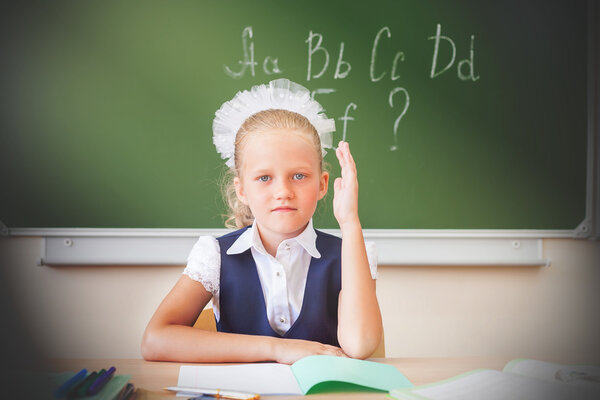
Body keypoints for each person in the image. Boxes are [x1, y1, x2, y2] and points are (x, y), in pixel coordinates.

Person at [141, 78, 382, 364]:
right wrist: (276, 349)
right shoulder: (215, 256)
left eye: (299, 176)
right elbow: (155, 340)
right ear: (242, 189)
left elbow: (361, 344)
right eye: (264, 178)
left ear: (322, 185)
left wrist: (350, 222)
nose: (283, 192)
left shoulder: (350, 255)